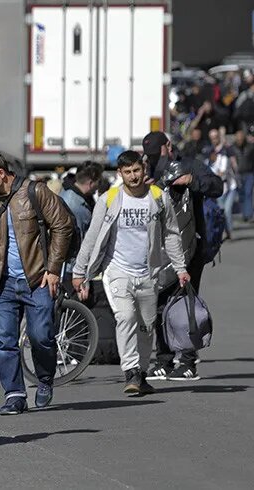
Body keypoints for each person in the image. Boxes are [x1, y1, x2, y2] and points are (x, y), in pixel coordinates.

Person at [72, 151, 189, 395]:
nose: (133, 176)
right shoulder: (110, 198)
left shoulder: (158, 197)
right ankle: (131, 371)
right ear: (120, 174)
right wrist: (79, 271)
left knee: (147, 326)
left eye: (137, 170)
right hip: (117, 271)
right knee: (125, 317)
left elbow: (171, 234)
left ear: (143, 170)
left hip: (148, 273)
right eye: (128, 172)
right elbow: (92, 237)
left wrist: (180, 267)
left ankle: (141, 373)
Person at [0, 150, 73, 415]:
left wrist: (54, 269)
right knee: (4, 341)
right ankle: (14, 394)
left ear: (1, 174)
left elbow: (62, 225)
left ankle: (45, 379)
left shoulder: (35, 192)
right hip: (1, 282)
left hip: (37, 280)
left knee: (41, 337)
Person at [142, 131, 222, 381]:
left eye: (158, 153)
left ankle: (188, 362)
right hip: (160, 249)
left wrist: (192, 180)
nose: (155, 159)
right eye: (151, 156)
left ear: (168, 145)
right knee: (160, 305)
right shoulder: (148, 170)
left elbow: (217, 186)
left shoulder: (189, 165)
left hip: (191, 247)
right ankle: (164, 360)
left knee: (185, 304)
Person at [207, 131, 236, 240]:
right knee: (221, 210)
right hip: (219, 188)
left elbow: (223, 171)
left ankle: (229, 231)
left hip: (230, 185)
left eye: (216, 137)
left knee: (227, 210)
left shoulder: (226, 151)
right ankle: (224, 231)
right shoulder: (210, 152)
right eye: (212, 138)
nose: (214, 140)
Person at [231, 130, 254, 222]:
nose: (239, 141)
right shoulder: (232, 148)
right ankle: (244, 214)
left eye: (241, 139)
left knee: (248, 193)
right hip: (238, 174)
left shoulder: (250, 147)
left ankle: (249, 214)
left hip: (249, 173)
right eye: (238, 139)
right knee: (241, 195)